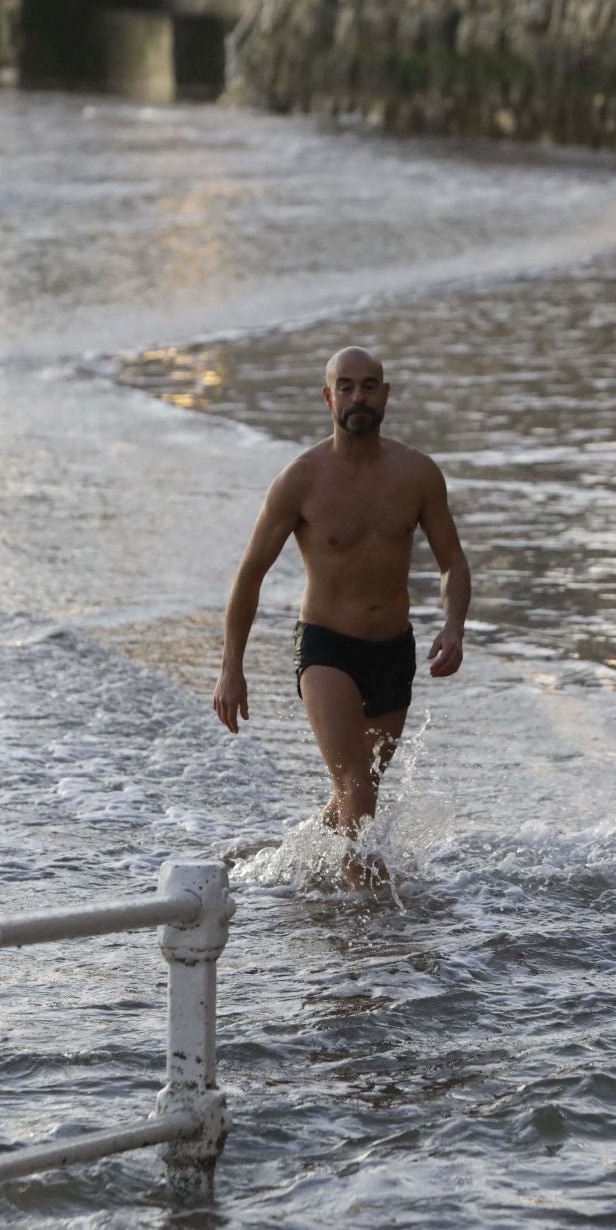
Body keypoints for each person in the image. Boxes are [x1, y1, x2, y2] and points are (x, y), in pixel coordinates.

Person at [212, 346, 471, 883]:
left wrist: (453, 625)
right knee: (356, 782)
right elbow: (250, 574)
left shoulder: (417, 473)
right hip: (327, 648)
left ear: (385, 395)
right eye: (347, 386)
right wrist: (230, 667)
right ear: (329, 397)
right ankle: (364, 910)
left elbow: (452, 561)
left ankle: (285, 863)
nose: (359, 396)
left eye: (370, 385)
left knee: (359, 791)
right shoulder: (300, 480)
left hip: (393, 650)